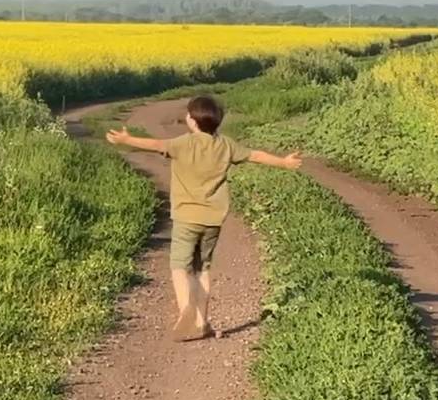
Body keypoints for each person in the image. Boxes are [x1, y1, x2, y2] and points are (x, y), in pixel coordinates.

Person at [105, 94, 303, 339]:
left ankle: (185, 306)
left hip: (186, 217)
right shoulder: (226, 145)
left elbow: (156, 145)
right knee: (203, 269)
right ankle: (202, 323)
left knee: (179, 266)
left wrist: (126, 139)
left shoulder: (182, 143)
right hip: (212, 219)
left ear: (192, 120)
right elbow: (256, 155)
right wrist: (284, 162)